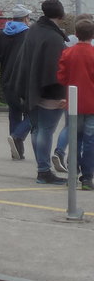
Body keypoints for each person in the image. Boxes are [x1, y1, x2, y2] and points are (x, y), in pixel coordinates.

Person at [14, 0, 69, 184]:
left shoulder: (34, 30)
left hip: (32, 88)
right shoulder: (53, 38)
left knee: (37, 130)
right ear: (61, 14)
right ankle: (44, 170)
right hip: (50, 92)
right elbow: (56, 70)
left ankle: (42, 168)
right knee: (45, 130)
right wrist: (62, 94)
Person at [0, 4, 32, 160]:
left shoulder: (2, 35)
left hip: (7, 81)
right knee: (34, 115)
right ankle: (17, 136)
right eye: (28, 18)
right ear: (25, 18)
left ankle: (17, 152)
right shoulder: (29, 35)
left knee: (14, 113)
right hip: (24, 81)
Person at [57, 17, 94, 190]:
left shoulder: (68, 53)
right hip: (92, 104)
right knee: (90, 141)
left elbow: (62, 77)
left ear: (76, 34)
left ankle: (72, 173)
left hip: (74, 103)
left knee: (75, 139)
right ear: (92, 35)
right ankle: (87, 178)